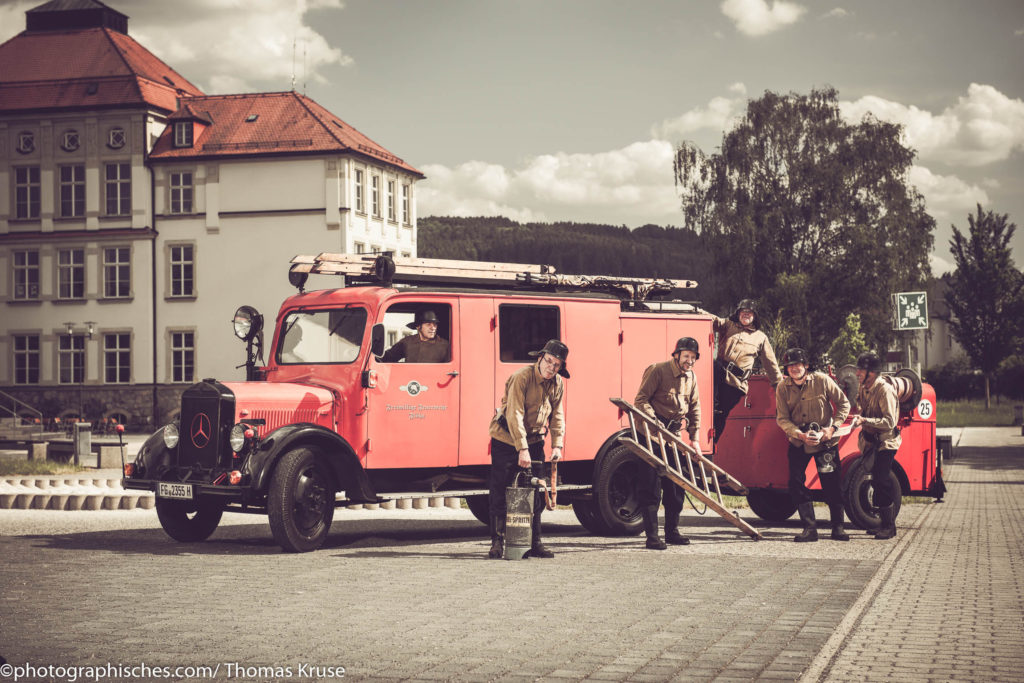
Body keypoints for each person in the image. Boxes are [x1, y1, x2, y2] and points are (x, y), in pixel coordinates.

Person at [487, 339, 569, 559]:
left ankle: (535, 542)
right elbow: (514, 414)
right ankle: (497, 543)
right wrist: (522, 449)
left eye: (557, 365)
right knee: (500, 491)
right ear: (540, 358)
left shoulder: (558, 383)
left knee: (536, 492)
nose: (551, 367)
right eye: (549, 361)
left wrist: (557, 444)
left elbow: (557, 415)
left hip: (534, 439)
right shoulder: (521, 377)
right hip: (506, 439)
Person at [775, 348, 851, 542]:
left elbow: (844, 404)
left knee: (831, 483)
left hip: (825, 441)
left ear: (806, 365)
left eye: (798, 364)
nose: (794, 368)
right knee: (796, 482)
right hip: (799, 440)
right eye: (790, 366)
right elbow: (782, 419)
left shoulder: (822, 380)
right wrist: (799, 434)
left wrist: (832, 428)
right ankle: (809, 528)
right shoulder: (782, 388)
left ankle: (838, 528)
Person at [633, 337, 701, 550]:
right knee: (651, 486)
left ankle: (672, 532)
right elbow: (641, 400)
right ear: (677, 355)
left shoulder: (691, 378)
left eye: (693, 357)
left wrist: (695, 439)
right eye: (686, 356)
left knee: (676, 486)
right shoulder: (658, 370)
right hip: (651, 435)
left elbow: (694, 408)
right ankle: (652, 536)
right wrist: (655, 423)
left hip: (673, 437)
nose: (689, 361)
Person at [711, 299, 782, 445]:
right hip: (718, 375)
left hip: (736, 384)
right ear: (738, 314)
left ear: (754, 316)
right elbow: (711, 320)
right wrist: (691, 310)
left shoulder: (760, 337)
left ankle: (712, 446)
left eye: (749, 313)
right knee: (708, 411)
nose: (746, 315)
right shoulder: (728, 325)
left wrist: (780, 387)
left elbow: (771, 364)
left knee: (720, 415)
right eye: (743, 312)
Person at [850, 351, 901, 540]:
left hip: (886, 441)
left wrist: (865, 420)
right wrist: (860, 416)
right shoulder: (864, 387)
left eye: (861, 370)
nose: (857, 374)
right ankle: (881, 524)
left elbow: (889, 422)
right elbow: (860, 405)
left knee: (882, 479)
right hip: (872, 440)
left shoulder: (884, 390)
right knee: (875, 479)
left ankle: (889, 526)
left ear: (872, 372)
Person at [381, 309, 450, 363]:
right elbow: (389, 357)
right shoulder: (407, 342)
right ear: (418, 327)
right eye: (428, 324)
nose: (433, 328)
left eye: (435, 325)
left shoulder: (444, 345)